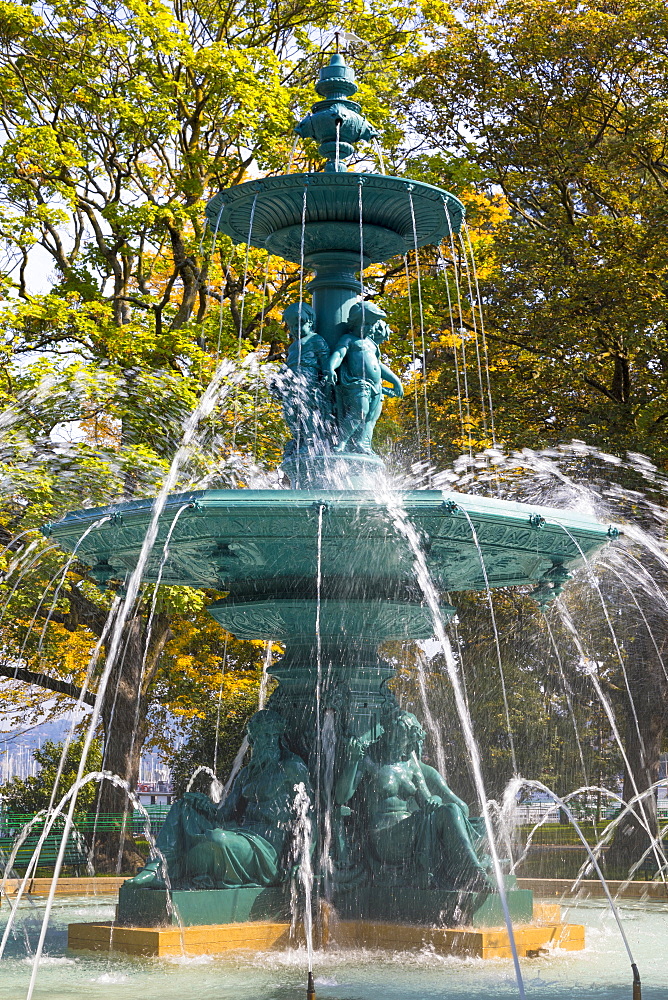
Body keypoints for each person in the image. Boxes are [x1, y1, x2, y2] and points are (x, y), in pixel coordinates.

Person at [129, 710, 312, 889]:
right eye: (265, 735)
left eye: (274, 735)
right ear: (253, 740)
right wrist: (202, 804)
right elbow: (224, 813)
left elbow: (310, 815)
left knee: (218, 839)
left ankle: (175, 871)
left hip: (270, 848)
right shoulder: (247, 774)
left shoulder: (292, 768)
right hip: (244, 835)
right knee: (182, 806)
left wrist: (304, 860)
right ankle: (156, 867)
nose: (271, 742)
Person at [335, 707, 493, 891]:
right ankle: (471, 872)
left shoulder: (411, 764)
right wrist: (353, 761)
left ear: (409, 740)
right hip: (384, 837)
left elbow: (426, 800)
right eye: (392, 734)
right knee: (447, 815)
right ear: (386, 730)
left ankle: (470, 871)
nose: (393, 740)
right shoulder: (369, 760)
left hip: (410, 830)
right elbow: (341, 796)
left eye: (400, 737)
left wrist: (434, 799)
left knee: (450, 810)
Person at [327, 301, 404, 455]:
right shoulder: (348, 339)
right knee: (359, 412)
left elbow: (378, 365)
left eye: (371, 324)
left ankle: (364, 444)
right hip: (358, 384)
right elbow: (339, 354)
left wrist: (395, 381)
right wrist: (330, 368)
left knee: (371, 418)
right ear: (355, 322)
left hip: (376, 386)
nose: (369, 328)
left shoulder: (371, 343)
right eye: (366, 324)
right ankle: (341, 441)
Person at [280, 302, 333, 454]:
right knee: (290, 411)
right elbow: (288, 365)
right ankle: (298, 437)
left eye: (299, 324)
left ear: (310, 322)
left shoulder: (316, 340)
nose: (295, 329)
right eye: (291, 326)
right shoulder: (293, 346)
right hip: (292, 384)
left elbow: (325, 361)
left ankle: (311, 441)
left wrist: (327, 377)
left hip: (308, 381)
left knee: (307, 411)